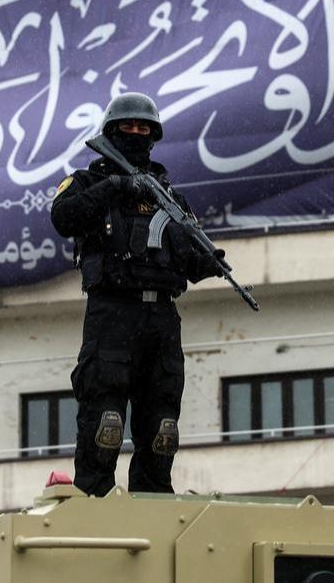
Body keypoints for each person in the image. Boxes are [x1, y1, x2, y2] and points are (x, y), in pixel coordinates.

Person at [50, 92, 222, 496]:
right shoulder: (89, 182)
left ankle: (153, 507)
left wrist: (208, 263)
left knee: (163, 430)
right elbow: (63, 216)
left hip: (161, 321)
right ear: (111, 132)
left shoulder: (170, 197)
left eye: (143, 128)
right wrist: (116, 187)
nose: (135, 133)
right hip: (112, 314)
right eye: (127, 127)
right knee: (104, 426)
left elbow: (186, 262)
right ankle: (95, 508)